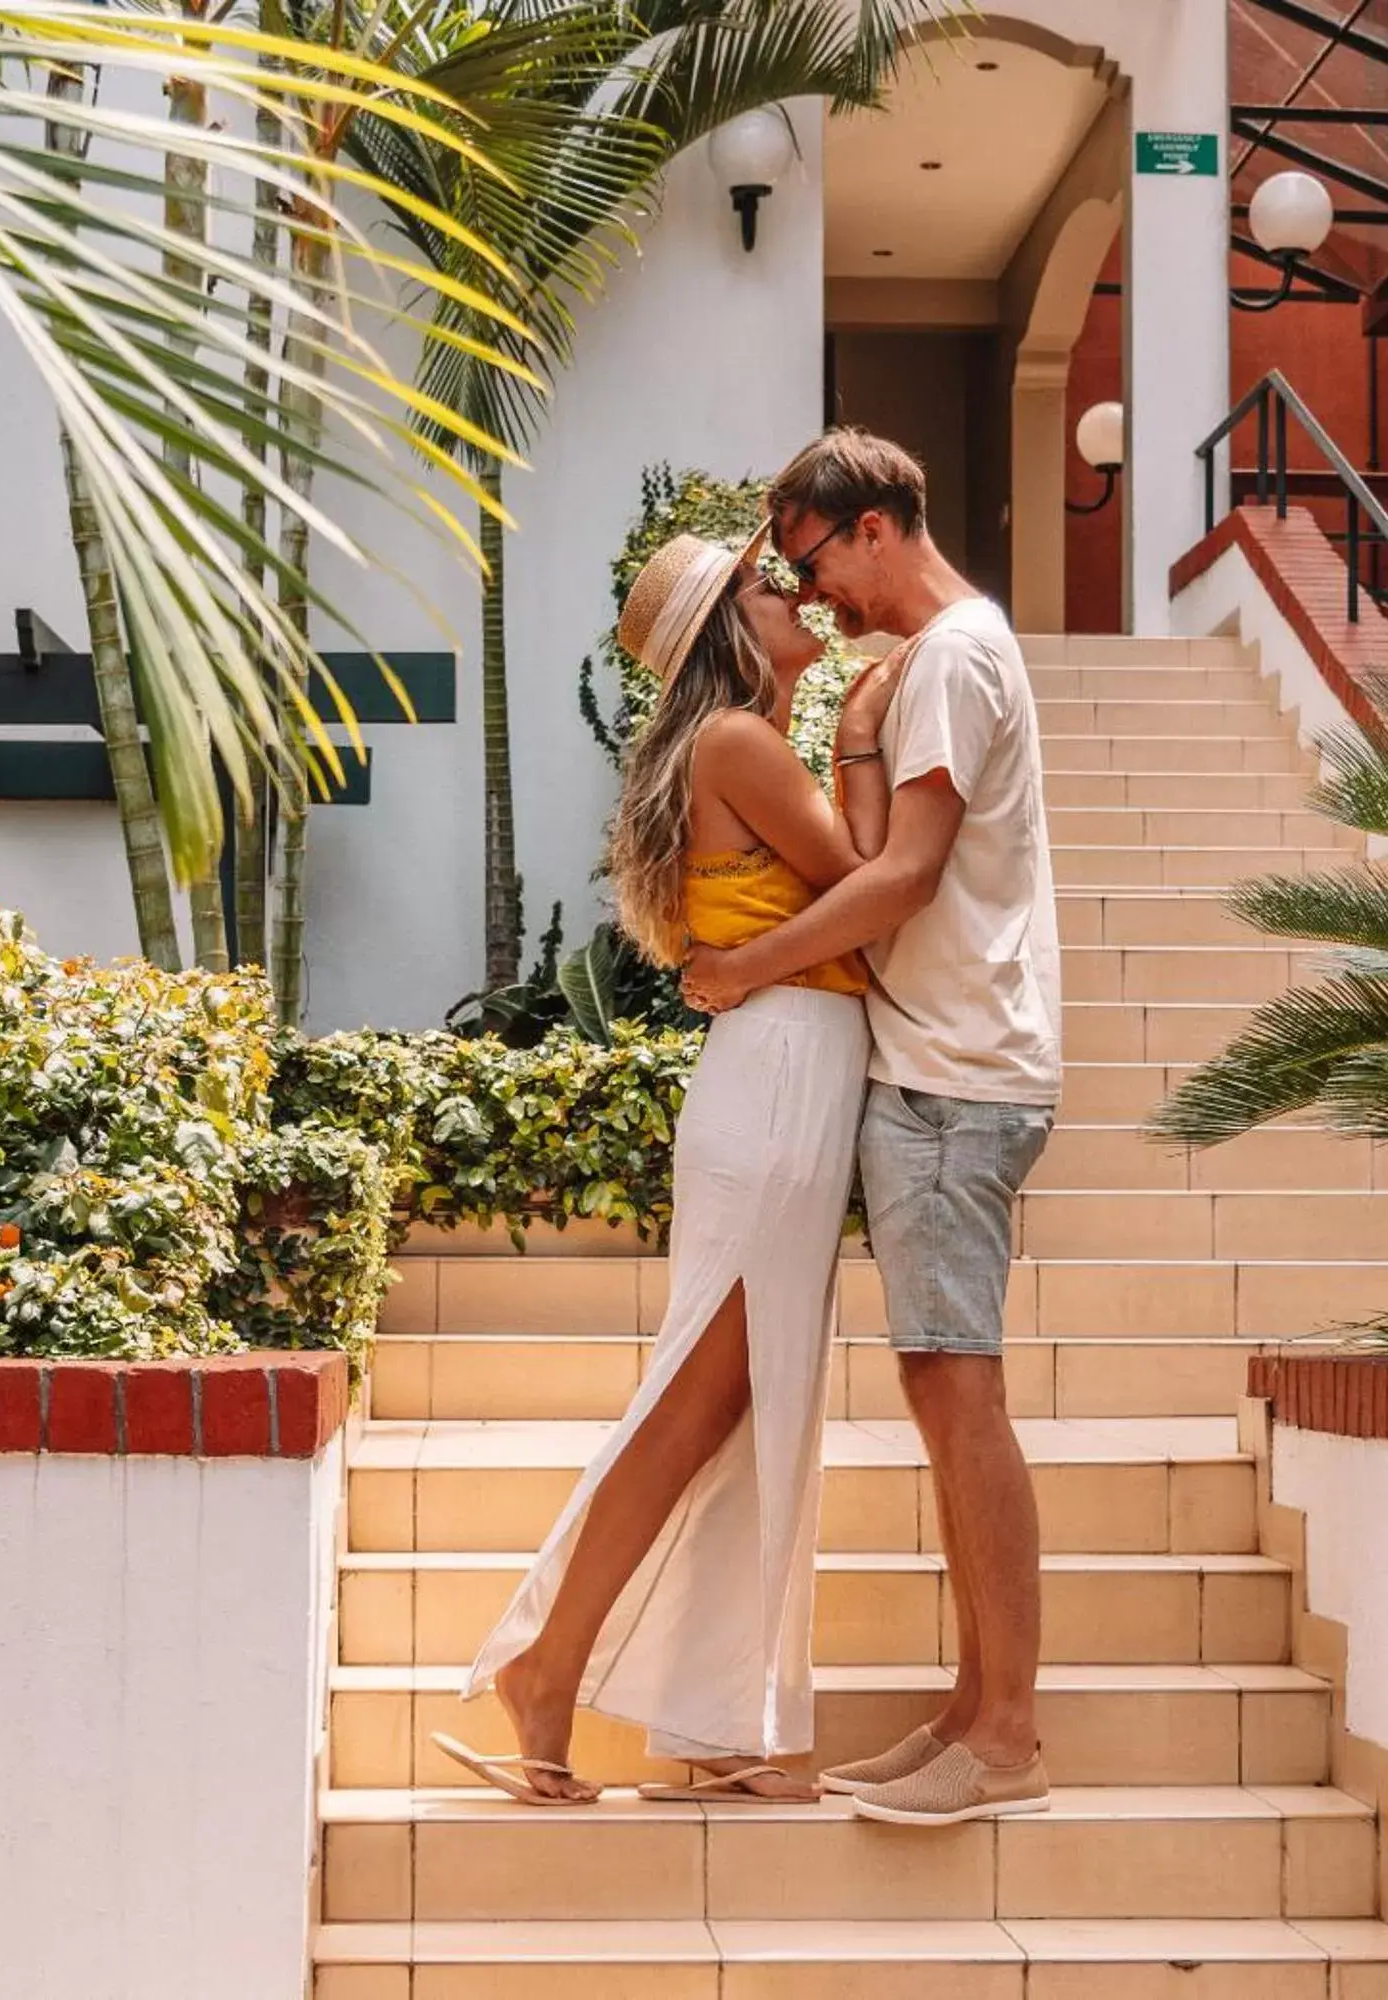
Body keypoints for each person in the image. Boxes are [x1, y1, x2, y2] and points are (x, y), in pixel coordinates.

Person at [437, 528, 884, 1806]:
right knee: (703, 1400)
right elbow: (872, 879)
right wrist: (858, 732)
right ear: (726, 633)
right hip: (782, 1070)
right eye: (763, 583)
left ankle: (705, 1719)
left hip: (782, 1069)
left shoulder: (738, 743)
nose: (791, 590)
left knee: (743, 1402)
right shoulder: (740, 744)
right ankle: (547, 1660)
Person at [682, 428, 1061, 1829]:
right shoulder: (928, 664)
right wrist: (850, 724)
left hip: (959, 1076)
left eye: (814, 558)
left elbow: (899, 878)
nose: (812, 591)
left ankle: (1006, 1734)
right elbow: (874, 850)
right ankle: (971, 1712)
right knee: (934, 1384)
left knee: (957, 1390)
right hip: (939, 1066)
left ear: (878, 525)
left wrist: (744, 969)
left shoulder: (955, 657)